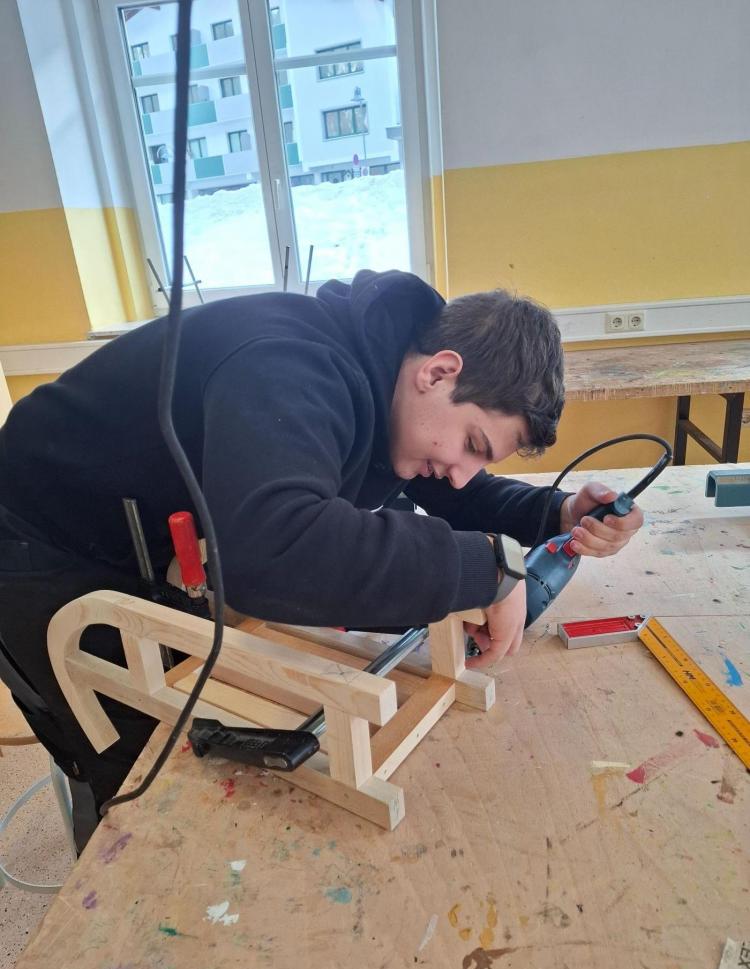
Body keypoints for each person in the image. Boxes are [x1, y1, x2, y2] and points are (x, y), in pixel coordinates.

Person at [0, 269, 642, 846]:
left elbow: (454, 489)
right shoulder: (291, 366)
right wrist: (485, 568)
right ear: (439, 373)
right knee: (142, 768)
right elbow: (271, 548)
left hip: (141, 537)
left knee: (192, 729)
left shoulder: (393, 377)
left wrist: (555, 514)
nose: (462, 471)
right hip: (39, 538)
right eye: (473, 443)